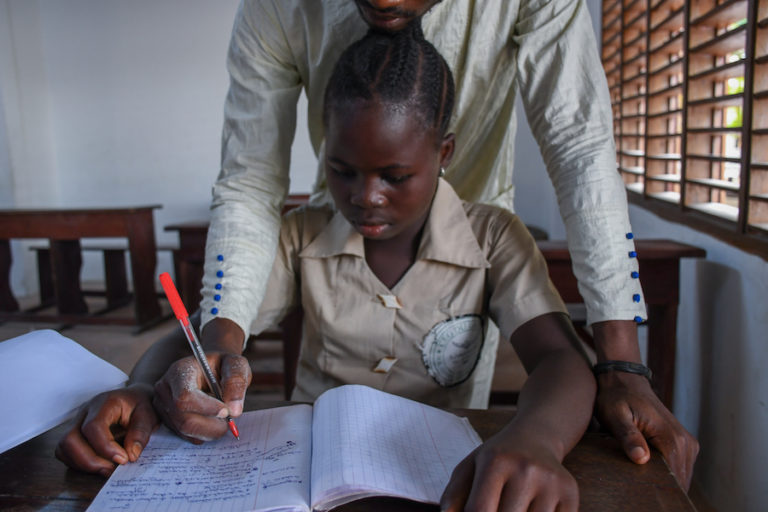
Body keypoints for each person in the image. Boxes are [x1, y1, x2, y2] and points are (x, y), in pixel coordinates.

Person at [58, 0, 698, 489]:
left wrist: (590, 388)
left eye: (394, 175)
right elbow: (215, 304)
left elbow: (580, 151)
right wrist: (157, 379)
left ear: (443, 155)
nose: (367, 198)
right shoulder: (302, 239)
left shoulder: (492, 241)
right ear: (325, 155)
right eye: (344, 171)